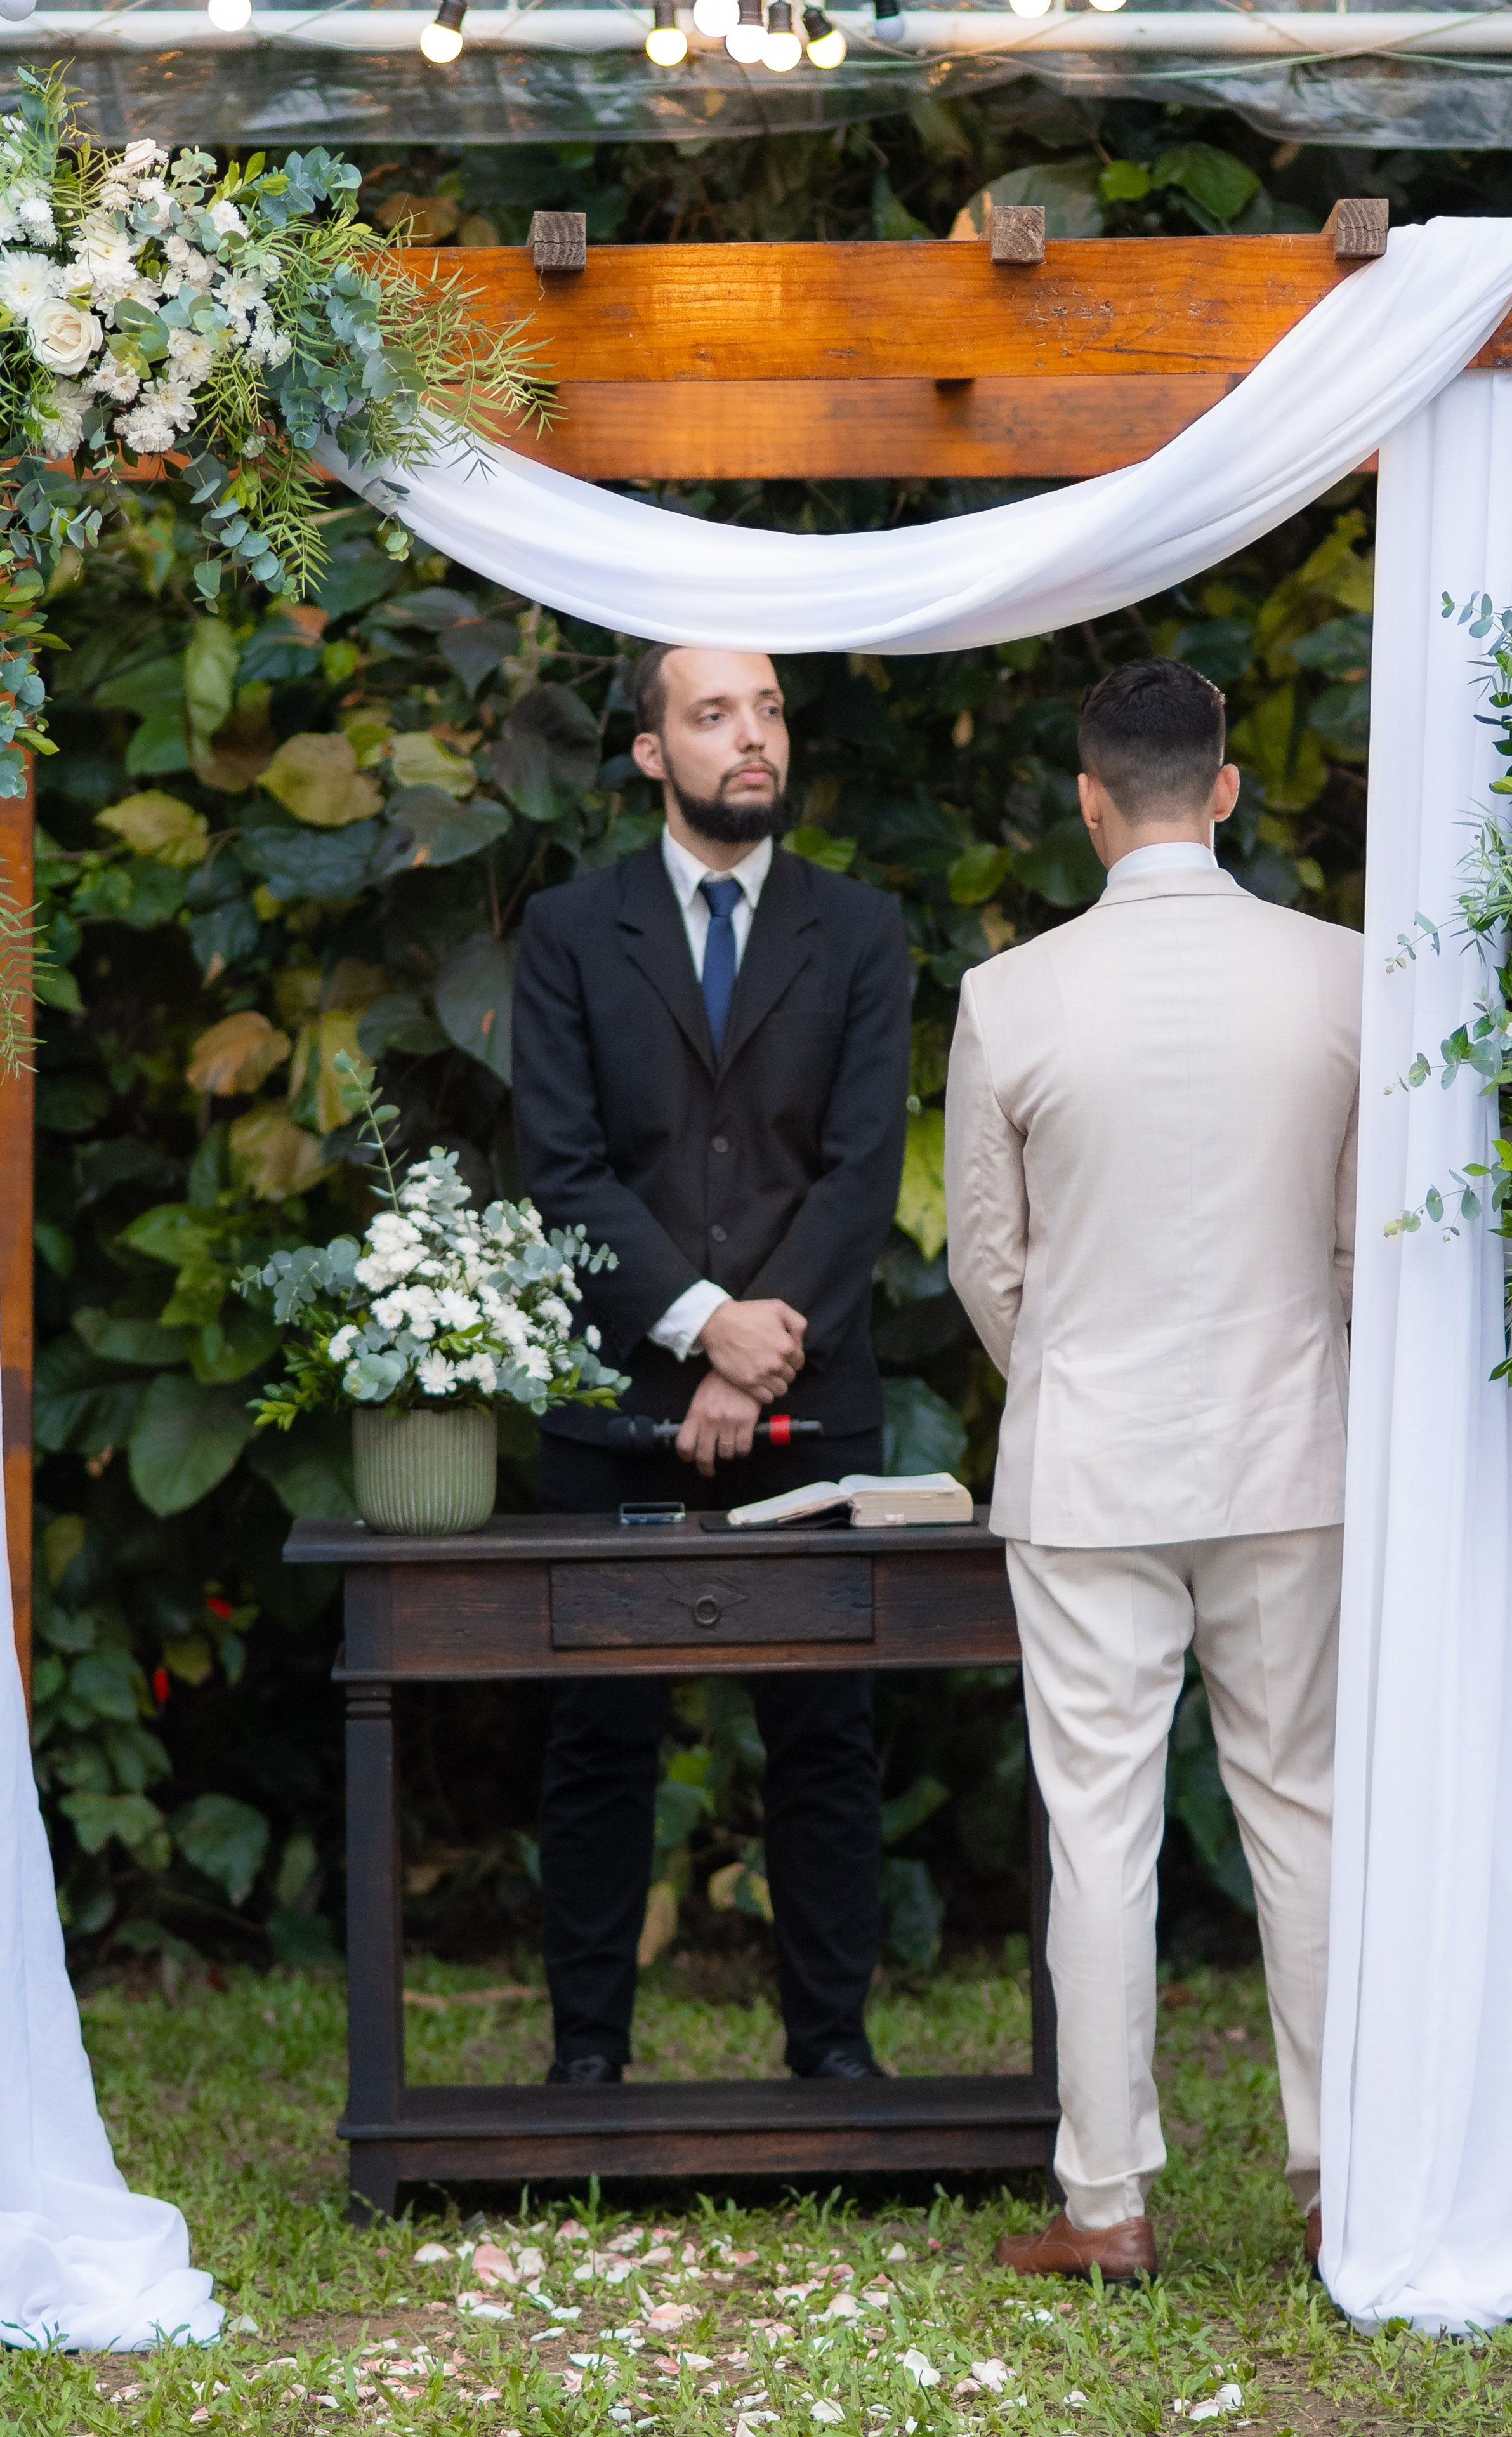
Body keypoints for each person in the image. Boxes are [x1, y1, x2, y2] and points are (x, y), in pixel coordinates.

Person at [945, 657, 1360, 2279]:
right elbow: (1351, 1244)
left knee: (1098, 1826)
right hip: (1287, 1449)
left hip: (1090, 1464)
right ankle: (1338, 2181)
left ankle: (1104, 2208)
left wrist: (1060, 1374)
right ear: (1230, 791)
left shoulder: (1012, 996)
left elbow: (990, 1265)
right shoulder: (1335, 977)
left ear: (1087, 802)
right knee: (1302, 1811)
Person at [511, 642, 912, 2085]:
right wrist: (696, 1329)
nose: (753, 737)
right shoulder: (567, 930)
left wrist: (755, 1363)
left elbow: (861, 1176)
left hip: (814, 1413)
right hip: (617, 1408)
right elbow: (559, 1169)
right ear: (647, 753)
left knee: (822, 1735)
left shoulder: (861, 932)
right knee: (599, 1736)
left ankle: (834, 2059)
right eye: (712, 714)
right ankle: (585, 2065)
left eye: (767, 710)